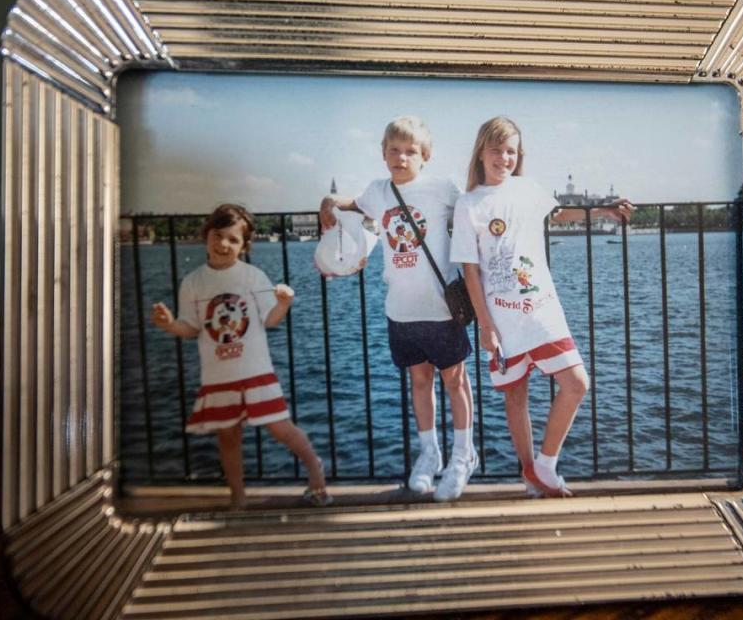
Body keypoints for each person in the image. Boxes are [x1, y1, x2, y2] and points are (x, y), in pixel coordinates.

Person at [450, 116, 633, 497]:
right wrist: (485, 325)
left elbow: (561, 214)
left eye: (511, 151)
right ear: (481, 153)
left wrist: (602, 209)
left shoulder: (528, 189)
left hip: (542, 310)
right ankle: (530, 474)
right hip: (501, 319)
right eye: (497, 150)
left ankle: (546, 465)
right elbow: (470, 273)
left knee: (576, 383)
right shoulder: (468, 204)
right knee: (516, 395)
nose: (504, 157)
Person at [319, 116, 477, 502]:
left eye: (410, 151)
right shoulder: (379, 191)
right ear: (383, 153)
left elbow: (478, 213)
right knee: (419, 382)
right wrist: (328, 201)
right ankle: (429, 454)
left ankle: (463, 454)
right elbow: (352, 204)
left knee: (454, 381)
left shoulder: (442, 188)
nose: (401, 157)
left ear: (425, 156)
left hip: (440, 308)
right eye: (394, 150)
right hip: (401, 310)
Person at [151, 203, 330, 509]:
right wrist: (169, 325)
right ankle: (238, 496)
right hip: (218, 375)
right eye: (218, 235)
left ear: (244, 247)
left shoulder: (252, 276)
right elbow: (191, 327)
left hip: (255, 371)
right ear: (206, 235)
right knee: (228, 437)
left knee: (281, 429)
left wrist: (283, 304)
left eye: (233, 240)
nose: (223, 244)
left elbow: (269, 320)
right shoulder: (193, 281)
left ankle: (315, 469)